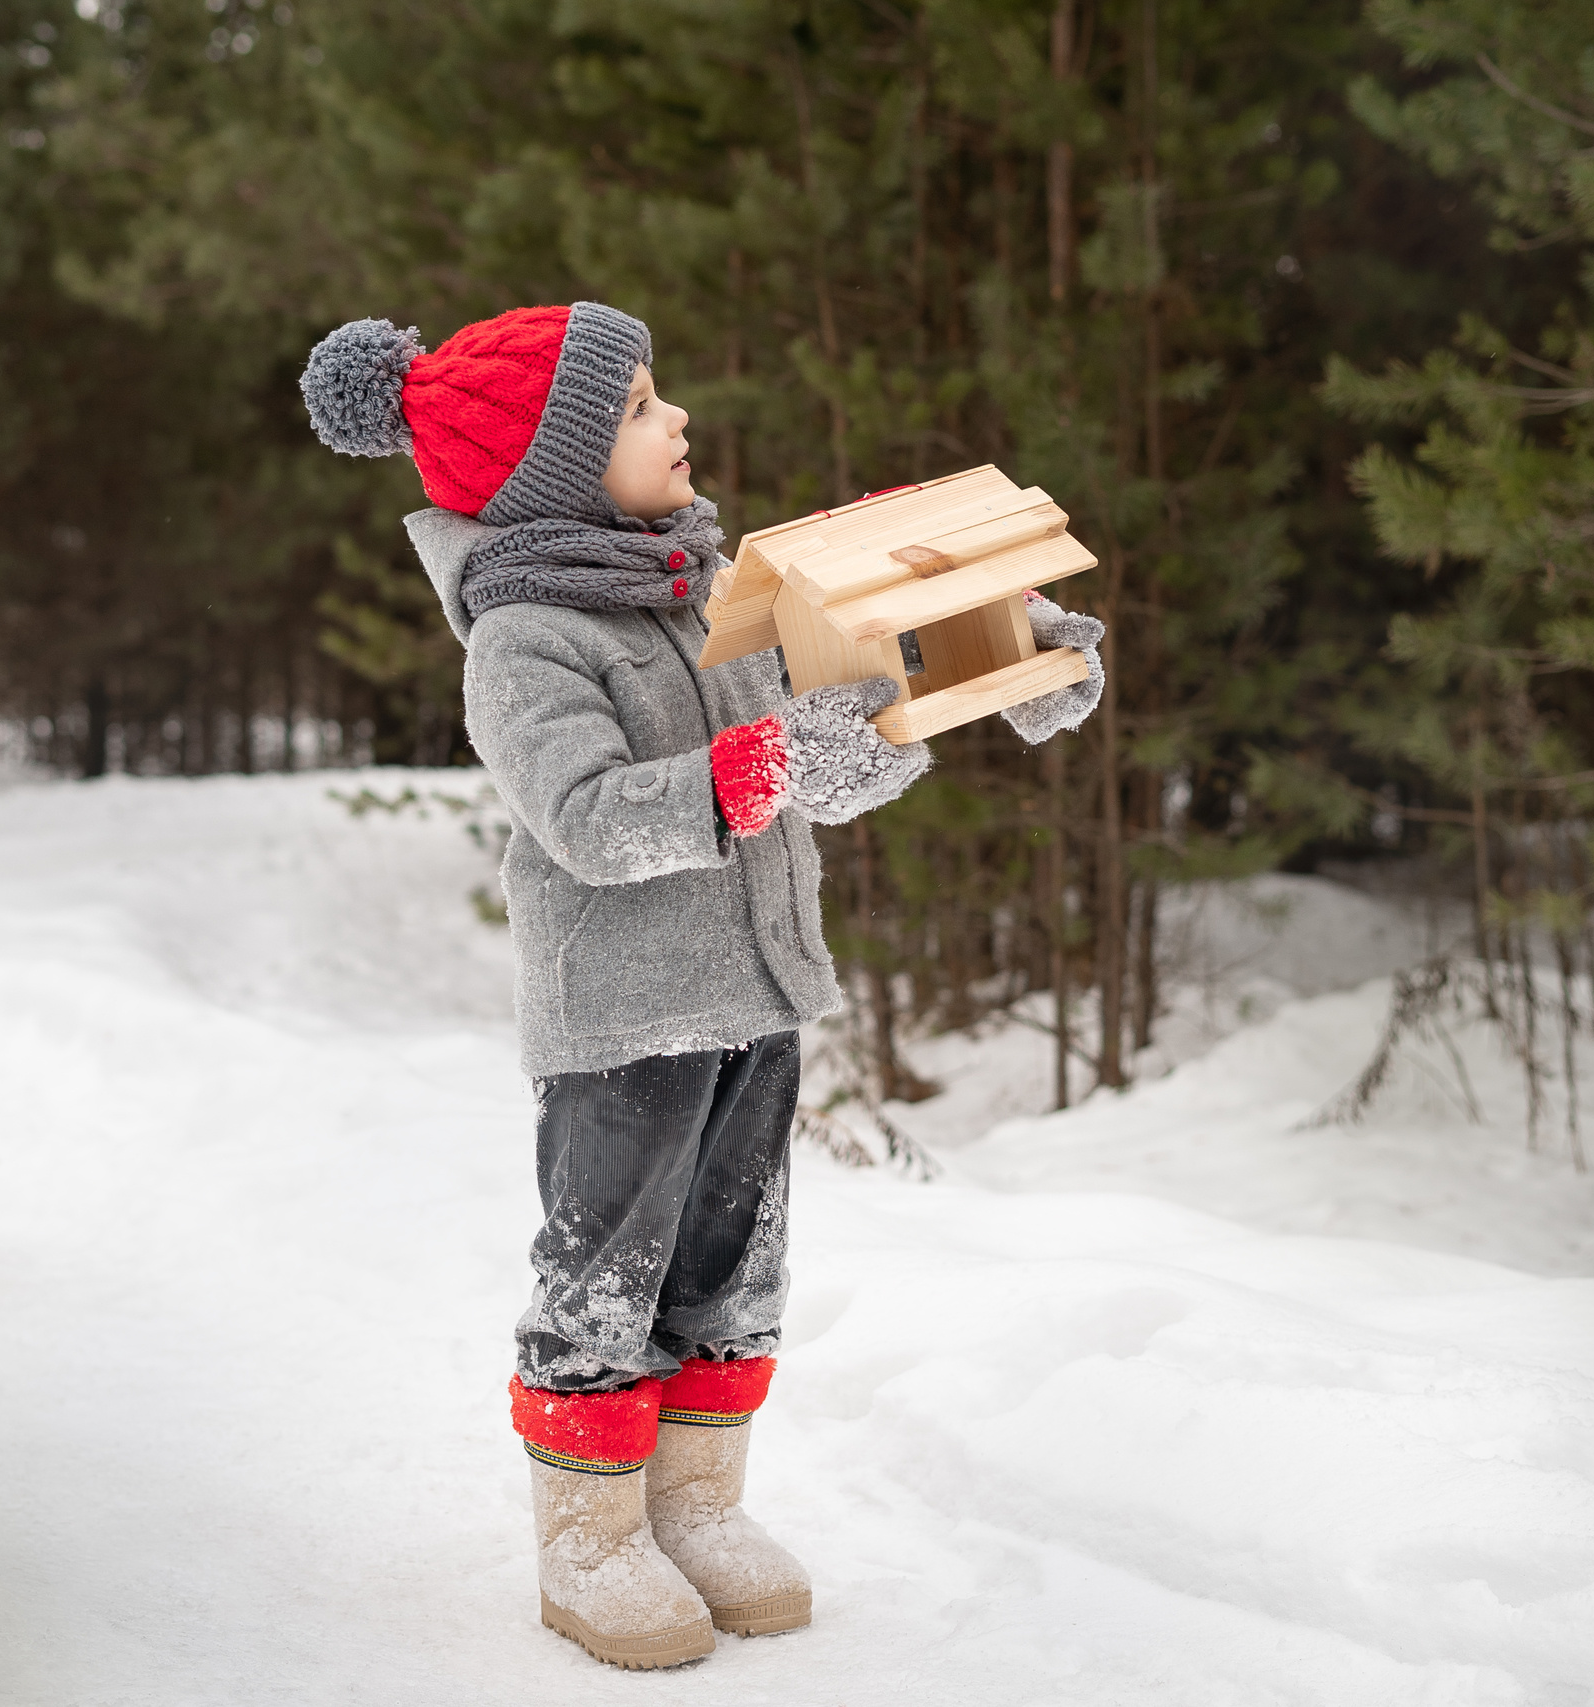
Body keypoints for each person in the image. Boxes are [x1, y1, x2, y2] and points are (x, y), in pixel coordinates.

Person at [300, 302, 1106, 1669]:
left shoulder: (710, 587)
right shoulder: (529, 639)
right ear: (551, 470)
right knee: (609, 1274)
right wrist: (770, 771)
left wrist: (994, 656)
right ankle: (590, 1540)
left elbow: (837, 705)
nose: (678, 424)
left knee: (733, 1267)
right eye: (635, 409)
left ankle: (698, 1509)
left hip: (759, 993)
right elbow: (591, 818)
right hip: (621, 1019)